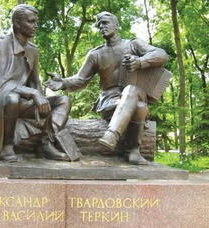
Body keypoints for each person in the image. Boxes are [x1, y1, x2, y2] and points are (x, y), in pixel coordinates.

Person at [45, 11, 169, 165]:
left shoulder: (133, 45)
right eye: (99, 25)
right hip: (110, 101)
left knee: (131, 90)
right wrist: (62, 82)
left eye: (105, 22)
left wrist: (140, 62)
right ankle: (132, 151)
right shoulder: (95, 54)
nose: (101, 26)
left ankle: (112, 134)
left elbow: (162, 54)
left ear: (117, 25)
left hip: (135, 93)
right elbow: (81, 80)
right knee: (141, 108)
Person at [0, 4, 71, 162]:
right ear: (17, 23)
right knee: (12, 98)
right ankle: (7, 146)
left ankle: (46, 142)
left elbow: (35, 83)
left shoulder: (33, 50)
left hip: (22, 102)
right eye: (30, 22)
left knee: (63, 100)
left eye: (35, 21)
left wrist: (42, 100)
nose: (35, 25)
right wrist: (32, 93)